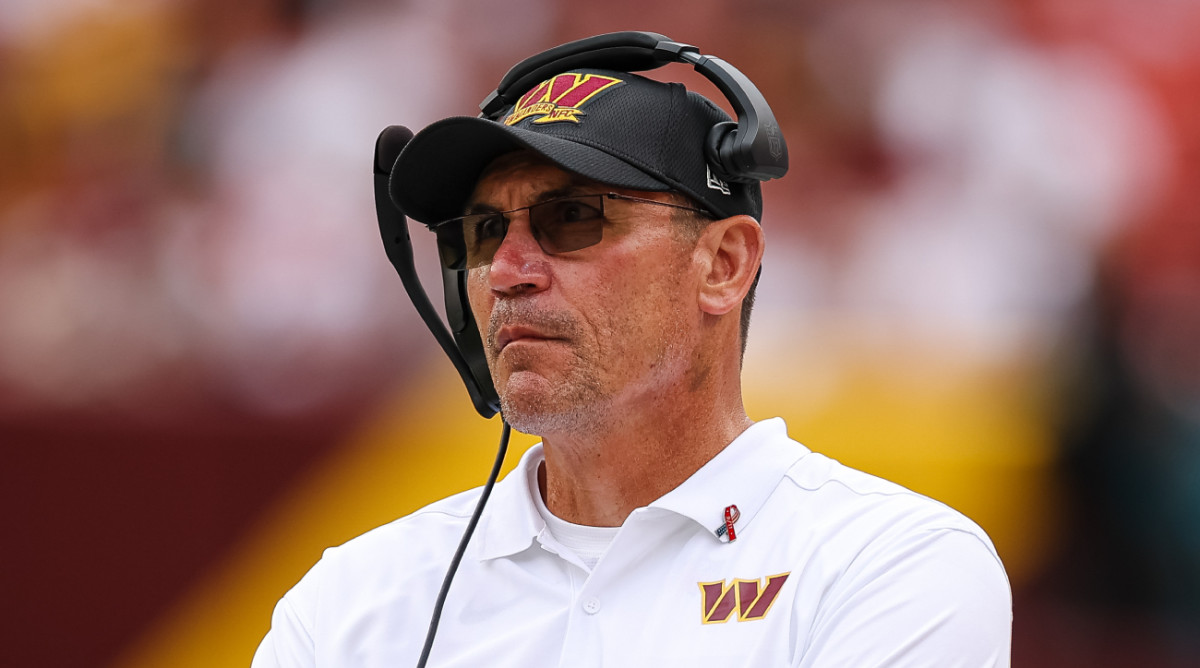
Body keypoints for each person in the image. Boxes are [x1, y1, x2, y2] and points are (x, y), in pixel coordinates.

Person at [252, 36, 1012, 667]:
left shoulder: (890, 564)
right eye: (484, 233)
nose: (508, 273)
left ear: (723, 265)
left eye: (573, 217)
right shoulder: (351, 601)